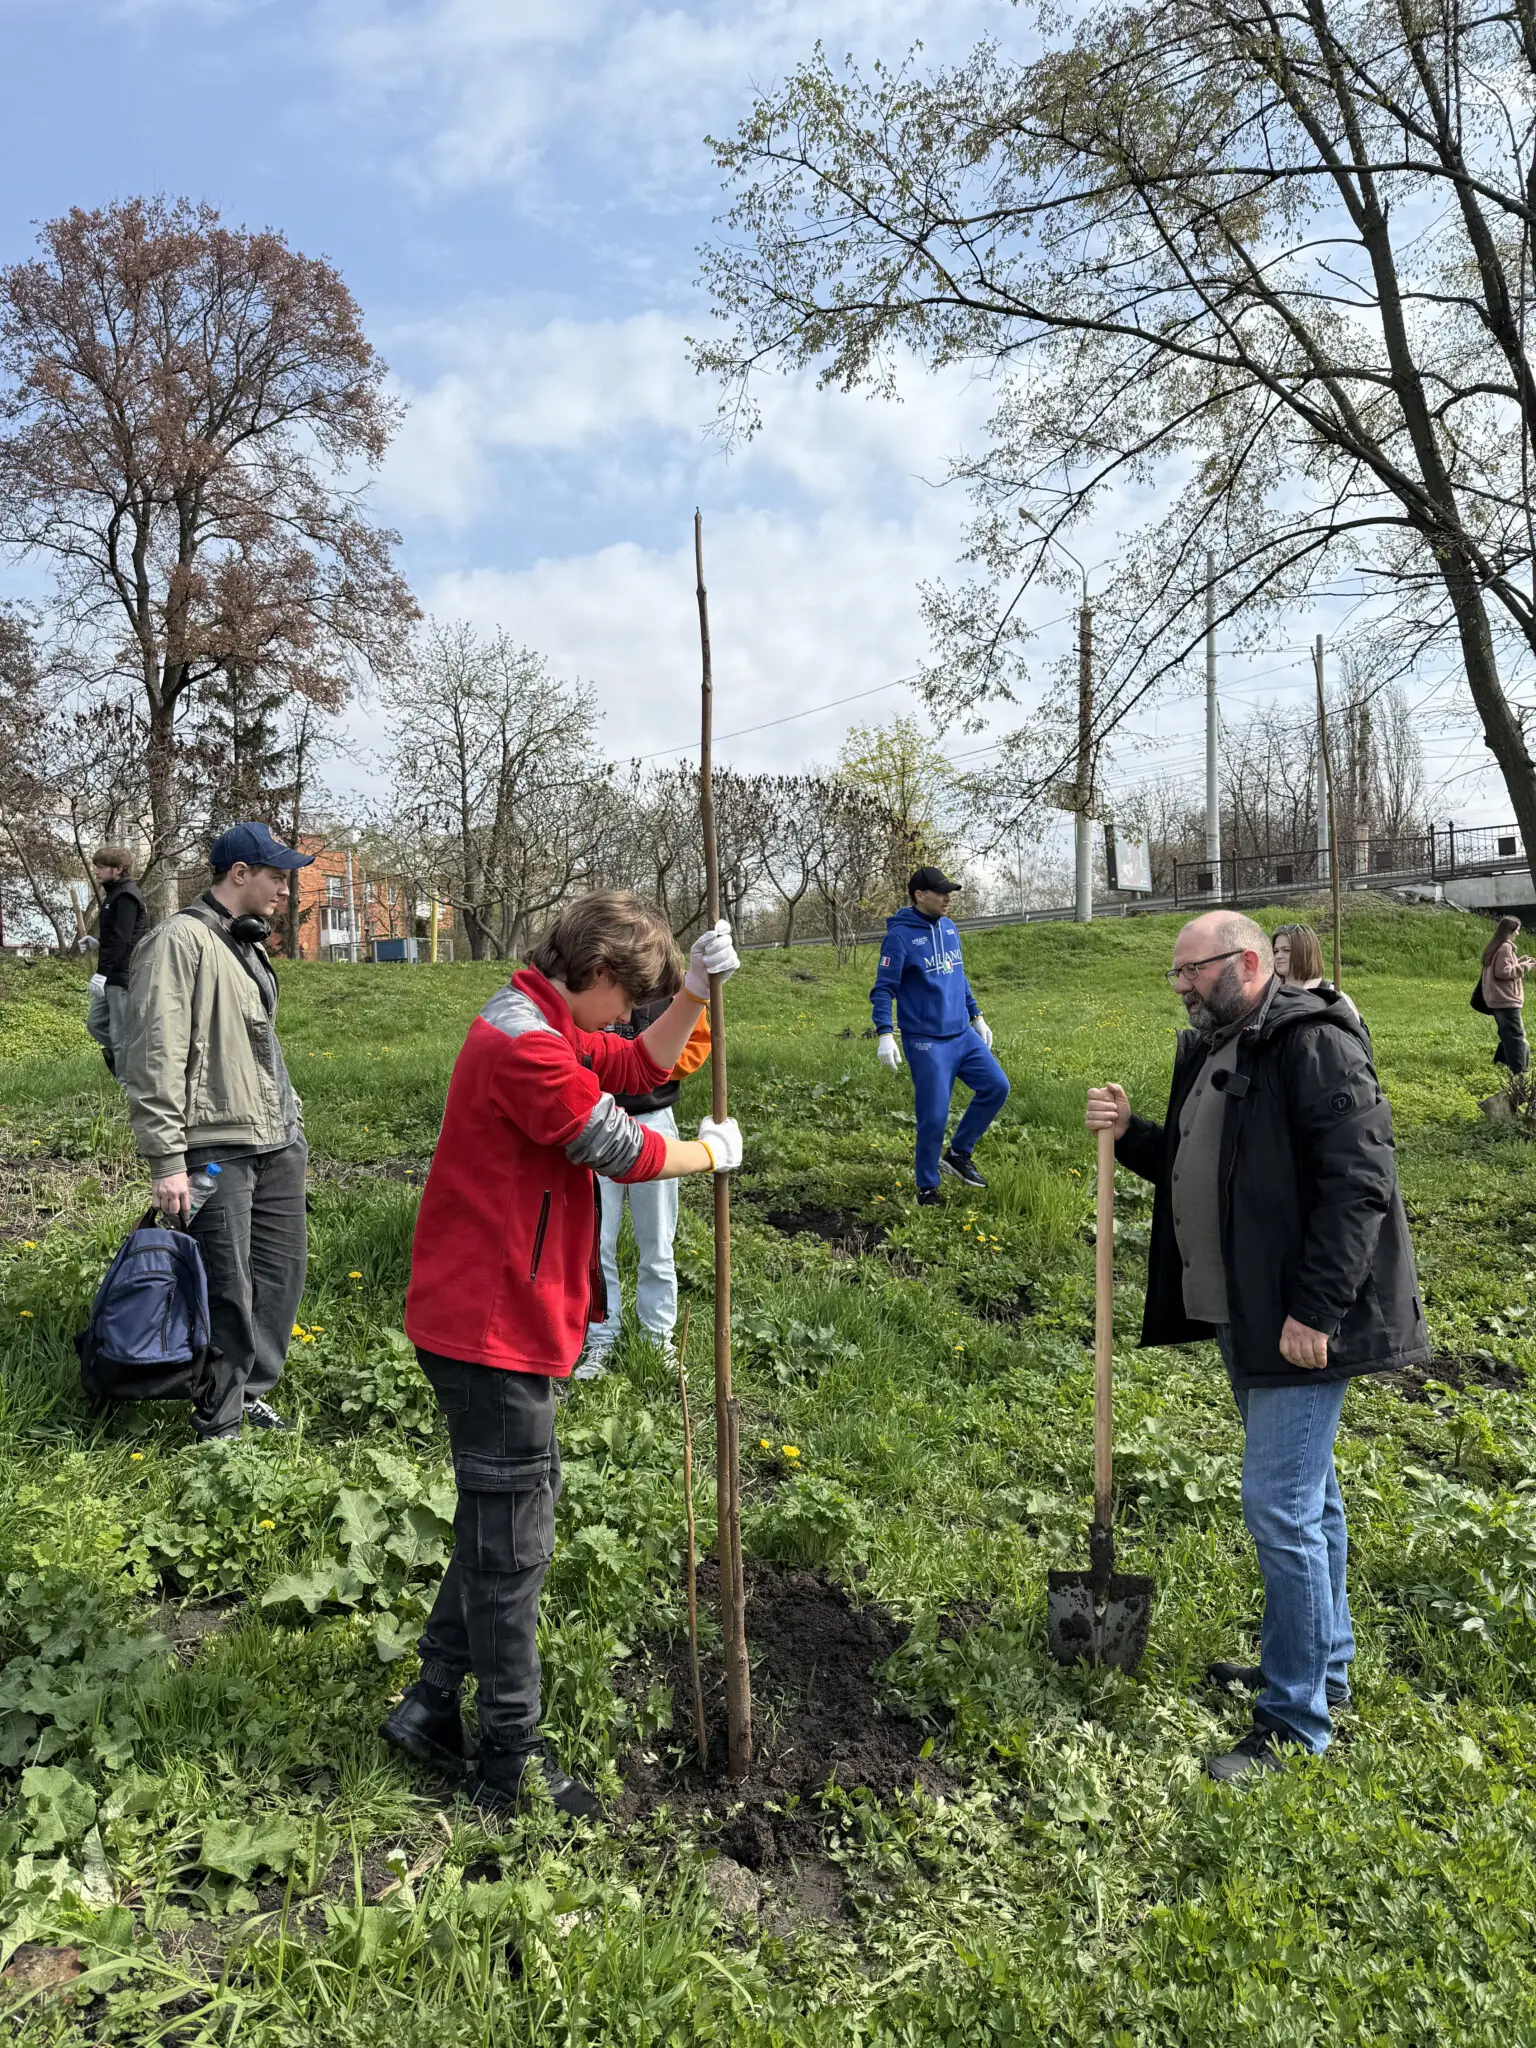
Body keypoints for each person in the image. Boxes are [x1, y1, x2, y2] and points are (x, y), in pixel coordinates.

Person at [387, 892, 743, 1818]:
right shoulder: (525, 1045)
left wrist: (695, 992)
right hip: (490, 1325)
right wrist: (707, 1157)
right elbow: (617, 1145)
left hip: (502, 1317)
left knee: (500, 1517)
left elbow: (635, 1062)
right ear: (591, 972)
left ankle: (430, 1704)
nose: (625, 1016)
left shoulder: (547, 1017)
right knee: (514, 1545)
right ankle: (511, 1756)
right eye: (625, 995)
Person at [1085, 909, 1427, 1782]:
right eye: (1176, 975)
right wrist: (1133, 1137)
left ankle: (1294, 1719)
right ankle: (1324, 1670)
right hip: (1246, 1310)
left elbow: (1360, 1184)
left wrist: (1316, 1312)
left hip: (1303, 1320)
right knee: (1310, 1502)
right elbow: (1207, 1165)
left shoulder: (1314, 1044)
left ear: (1243, 961)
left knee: (1281, 1509)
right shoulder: (1212, 1048)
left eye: (1191, 971)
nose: (1181, 987)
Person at [123, 822, 315, 1442]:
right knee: (227, 1289)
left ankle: (252, 1392)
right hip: (215, 1145)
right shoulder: (178, 941)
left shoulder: (246, 943)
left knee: (280, 1279)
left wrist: (293, 1117)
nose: (284, 891)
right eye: (276, 876)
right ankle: (219, 1423)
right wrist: (166, 1158)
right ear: (239, 873)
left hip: (276, 1140)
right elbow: (155, 1052)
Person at [576, 991, 712, 1379]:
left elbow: (698, 1041)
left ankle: (658, 1338)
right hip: (596, 1116)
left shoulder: (674, 987)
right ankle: (601, 1336)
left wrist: (653, 1063)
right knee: (597, 1240)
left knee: (657, 1240)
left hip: (654, 1118)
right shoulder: (596, 983)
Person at [871, 866, 1008, 1205]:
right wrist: (885, 1032)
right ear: (920, 895)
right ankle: (927, 1188)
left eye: (949, 892)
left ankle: (958, 1153)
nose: (948, 898)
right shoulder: (900, 937)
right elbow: (883, 989)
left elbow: (958, 977)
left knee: (996, 1087)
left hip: (962, 1033)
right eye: (941, 892)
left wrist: (977, 1015)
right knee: (933, 1116)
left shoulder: (948, 928)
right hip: (926, 1041)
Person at [85, 846, 147, 1083]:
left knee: (120, 1034)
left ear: (118, 869)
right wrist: (97, 943)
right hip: (111, 974)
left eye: (101, 867)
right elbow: (115, 937)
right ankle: (136, 1059)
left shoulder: (127, 896)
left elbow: (123, 939)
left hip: (122, 975)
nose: (97, 871)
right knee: (96, 1024)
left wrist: (102, 972)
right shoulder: (114, 894)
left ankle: (126, 1084)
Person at [1272, 921, 1359, 1019]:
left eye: (1286, 950)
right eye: (1276, 951)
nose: (1278, 956)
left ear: (1305, 953)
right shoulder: (1270, 994)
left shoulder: (1330, 995)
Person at [1482, 915, 1533, 1076]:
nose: (1518, 933)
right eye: (1517, 930)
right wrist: (1524, 967)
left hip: (1497, 999)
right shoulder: (1505, 947)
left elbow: (1504, 966)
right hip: (1506, 999)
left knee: (1507, 1032)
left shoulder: (1497, 946)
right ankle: (1519, 1071)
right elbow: (1503, 972)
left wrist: (1519, 961)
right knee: (1517, 1035)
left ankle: (1500, 1062)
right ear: (1510, 931)